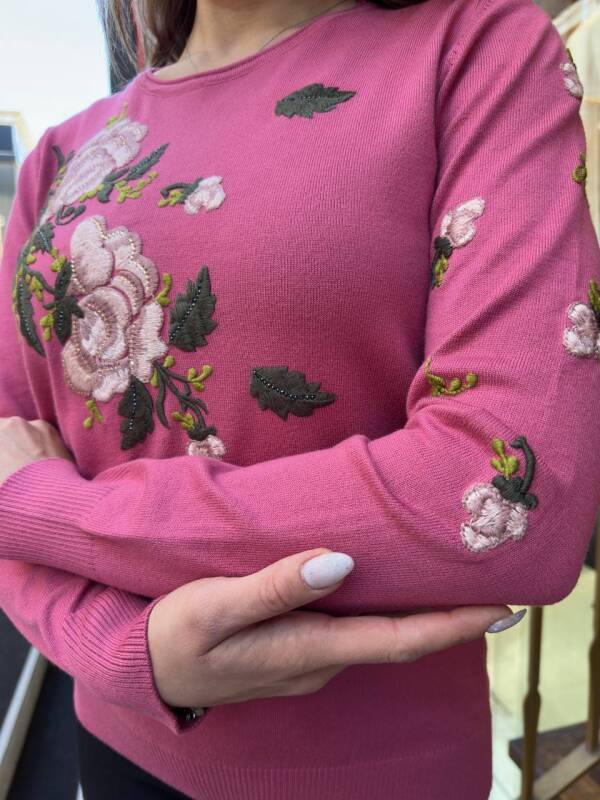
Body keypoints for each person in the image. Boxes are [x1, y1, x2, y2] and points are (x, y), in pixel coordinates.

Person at [0, 0, 598, 797]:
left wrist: (50, 510)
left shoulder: (474, 51)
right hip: (111, 735)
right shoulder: (60, 154)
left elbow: (510, 492)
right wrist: (121, 648)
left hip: (370, 773)